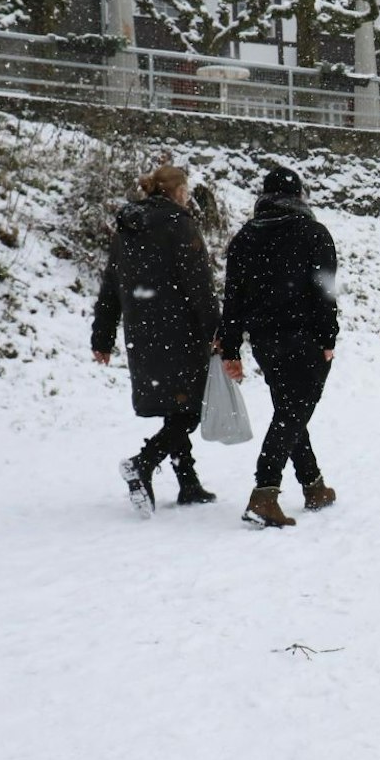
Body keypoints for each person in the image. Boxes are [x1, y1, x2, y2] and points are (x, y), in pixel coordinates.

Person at [91, 164, 221, 512]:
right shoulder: (180, 224)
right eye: (185, 190)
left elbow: (110, 286)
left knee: (175, 405)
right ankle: (143, 463)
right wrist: (217, 331)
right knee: (189, 409)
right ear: (177, 191)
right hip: (180, 331)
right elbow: (200, 285)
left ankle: (188, 482)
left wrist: (102, 336)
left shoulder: (127, 228)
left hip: (143, 333)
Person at [218, 166, 340, 529]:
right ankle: (264, 493)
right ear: (299, 195)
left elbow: (233, 299)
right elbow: (324, 291)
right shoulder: (313, 233)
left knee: (290, 410)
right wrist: (328, 338)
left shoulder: (245, 238)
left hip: (265, 342)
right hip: (305, 339)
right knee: (292, 413)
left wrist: (231, 347)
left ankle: (313, 485)